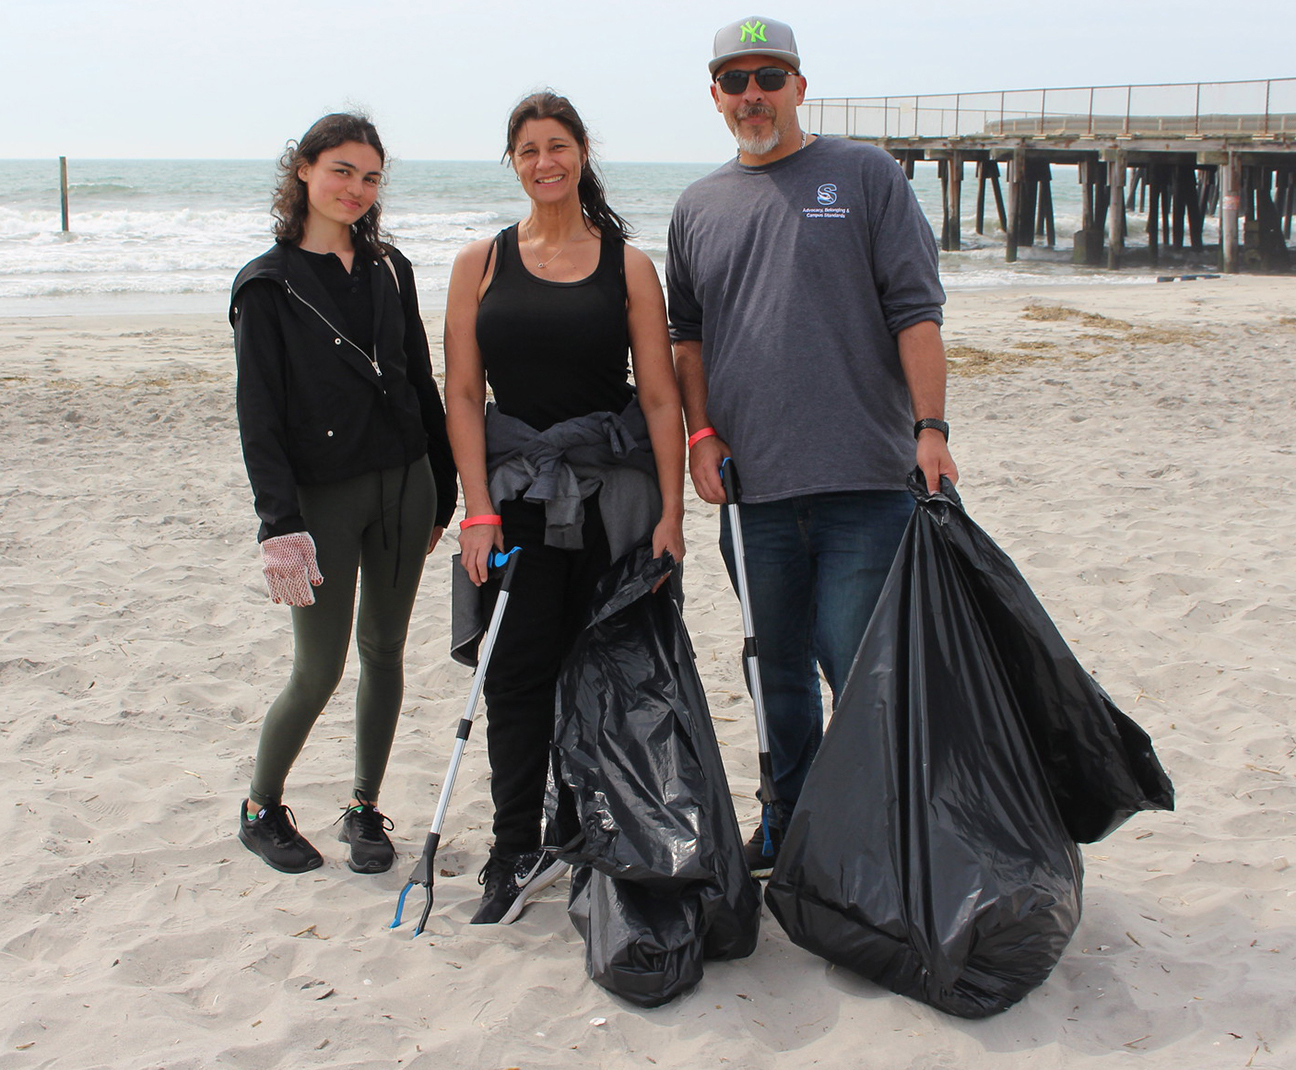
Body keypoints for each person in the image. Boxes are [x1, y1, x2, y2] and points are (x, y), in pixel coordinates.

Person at [666, 17, 958, 878]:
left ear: (799, 85)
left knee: (860, 668)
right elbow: (688, 339)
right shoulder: (696, 207)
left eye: (768, 75)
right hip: (753, 492)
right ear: (715, 97)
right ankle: (788, 821)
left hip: (866, 482)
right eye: (733, 79)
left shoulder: (865, 175)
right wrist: (701, 434)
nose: (751, 93)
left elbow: (916, 310)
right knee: (777, 672)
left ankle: (875, 827)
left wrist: (931, 429)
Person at [444, 91, 686, 925]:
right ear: (512, 162)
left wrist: (672, 515)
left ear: (583, 150)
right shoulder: (478, 262)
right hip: (515, 499)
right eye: (528, 150)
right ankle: (515, 849)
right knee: (515, 675)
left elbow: (659, 399)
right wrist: (475, 511)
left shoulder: (628, 265)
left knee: (606, 672)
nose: (544, 162)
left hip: (612, 498)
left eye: (558, 145)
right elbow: (464, 394)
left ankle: (582, 828)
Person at [231, 113, 457, 876]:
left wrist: (446, 483)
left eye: (369, 177)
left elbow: (420, 375)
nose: (356, 189)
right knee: (319, 668)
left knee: (385, 652)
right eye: (341, 171)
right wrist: (279, 524)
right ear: (303, 170)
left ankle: (364, 808)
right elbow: (257, 415)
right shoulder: (266, 285)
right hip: (321, 500)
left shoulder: (392, 268)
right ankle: (261, 807)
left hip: (407, 486)